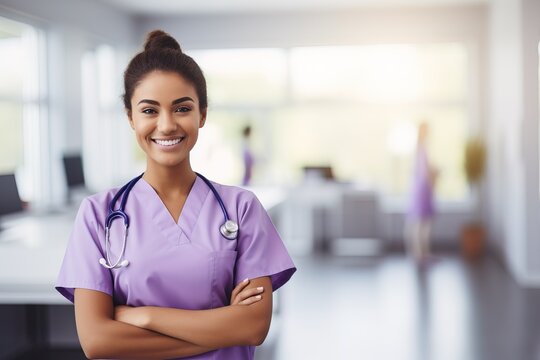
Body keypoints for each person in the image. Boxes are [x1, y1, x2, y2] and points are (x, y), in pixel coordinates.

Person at [55, 30, 296, 360]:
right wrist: (224, 329)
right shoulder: (98, 214)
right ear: (130, 117)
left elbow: (253, 327)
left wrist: (144, 316)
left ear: (203, 114)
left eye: (181, 108)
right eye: (149, 111)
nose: (166, 125)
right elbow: (98, 342)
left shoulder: (241, 209)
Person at [404, 122, 438, 265]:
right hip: (422, 189)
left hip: (421, 189)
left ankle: (421, 253)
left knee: (420, 223)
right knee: (421, 223)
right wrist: (433, 175)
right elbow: (425, 172)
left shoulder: (420, 148)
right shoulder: (421, 149)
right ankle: (420, 254)